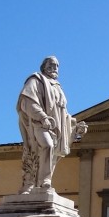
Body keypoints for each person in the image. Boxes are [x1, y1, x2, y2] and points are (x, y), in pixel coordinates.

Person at [16, 56, 88, 194]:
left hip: (56, 126)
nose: (54, 68)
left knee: (54, 154)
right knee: (47, 146)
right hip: (39, 123)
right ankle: (42, 181)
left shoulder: (57, 87)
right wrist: (42, 117)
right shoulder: (35, 80)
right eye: (51, 65)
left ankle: (39, 183)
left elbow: (62, 113)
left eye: (56, 66)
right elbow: (27, 102)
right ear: (43, 66)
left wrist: (75, 125)